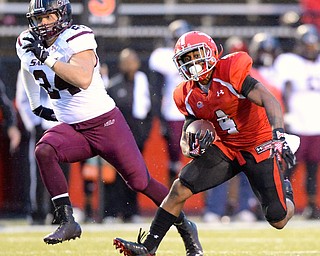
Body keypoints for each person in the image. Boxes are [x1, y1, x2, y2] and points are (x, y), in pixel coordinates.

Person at [16, 0, 202, 252]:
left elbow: (82, 78)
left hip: (105, 122)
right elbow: (27, 68)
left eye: (49, 16)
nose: (43, 23)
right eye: (39, 18)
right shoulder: (27, 43)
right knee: (44, 150)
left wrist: (46, 57)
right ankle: (67, 219)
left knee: (140, 182)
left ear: (61, 15)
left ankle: (185, 226)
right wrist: (35, 103)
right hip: (72, 127)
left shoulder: (77, 37)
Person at [113, 31, 298, 256]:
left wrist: (278, 135)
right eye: (185, 58)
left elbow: (269, 99)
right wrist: (189, 147)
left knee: (278, 219)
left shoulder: (230, 70)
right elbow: (187, 131)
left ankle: (285, 191)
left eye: (195, 55)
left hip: (258, 143)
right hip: (227, 146)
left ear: (210, 51)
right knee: (180, 187)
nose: (192, 63)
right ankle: (149, 247)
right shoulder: (186, 93)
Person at [274, 23, 320, 219]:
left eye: (313, 44)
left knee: (313, 169)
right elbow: (284, 90)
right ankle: (280, 202)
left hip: (316, 124)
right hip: (297, 124)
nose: (310, 48)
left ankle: (311, 205)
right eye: (306, 44)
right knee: (289, 167)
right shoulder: (289, 62)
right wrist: (287, 117)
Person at [104, 48, 152, 222]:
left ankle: (131, 211)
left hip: (137, 139)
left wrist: (143, 135)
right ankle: (112, 212)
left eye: (131, 60)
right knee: (115, 176)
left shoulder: (143, 83)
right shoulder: (114, 85)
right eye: (125, 61)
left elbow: (149, 112)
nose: (128, 64)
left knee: (134, 175)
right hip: (117, 139)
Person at [16, 69, 70, 225]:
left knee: (62, 170)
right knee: (38, 171)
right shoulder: (27, 67)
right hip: (40, 125)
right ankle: (37, 211)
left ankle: (59, 213)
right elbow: (23, 99)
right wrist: (33, 123)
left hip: (61, 124)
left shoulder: (60, 63)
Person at [149, 19, 192, 185]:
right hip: (173, 111)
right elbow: (157, 90)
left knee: (200, 156)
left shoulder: (196, 54)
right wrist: (159, 118)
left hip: (195, 110)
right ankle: (171, 196)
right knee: (174, 157)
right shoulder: (163, 56)